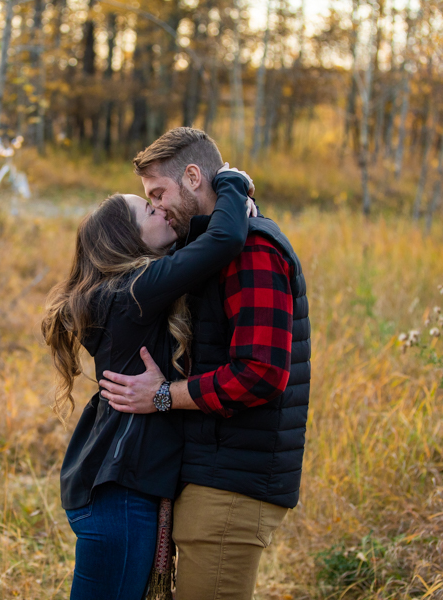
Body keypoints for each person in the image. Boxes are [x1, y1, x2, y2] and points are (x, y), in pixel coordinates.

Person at [99, 127, 311, 600]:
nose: (155, 207)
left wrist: (161, 396)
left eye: (158, 193)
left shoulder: (253, 251)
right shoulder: (213, 249)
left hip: (231, 482)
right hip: (213, 471)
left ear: (193, 177)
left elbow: (260, 373)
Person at [42, 168, 255, 600]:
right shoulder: (133, 292)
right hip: (119, 500)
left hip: (114, 494)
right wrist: (233, 183)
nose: (161, 209)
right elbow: (225, 242)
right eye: (148, 208)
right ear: (127, 239)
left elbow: (208, 245)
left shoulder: (121, 292)